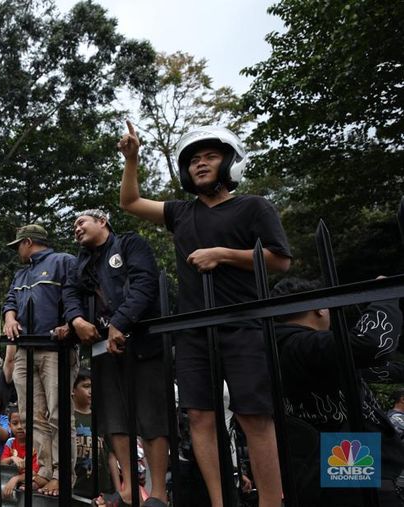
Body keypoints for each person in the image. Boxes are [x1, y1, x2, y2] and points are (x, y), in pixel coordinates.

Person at [118, 121, 291, 506]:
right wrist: (132, 160)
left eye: (210, 156)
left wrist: (223, 254)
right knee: (199, 416)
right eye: (194, 159)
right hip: (193, 330)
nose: (200, 163)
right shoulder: (181, 213)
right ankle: (220, 500)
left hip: (243, 322)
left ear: (229, 162)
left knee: (253, 417)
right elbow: (130, 203)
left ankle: (270, 501)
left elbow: (280, 261)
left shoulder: (253, 206)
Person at [61, 209, 169, 507]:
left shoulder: (129, 244)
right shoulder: (80, 262)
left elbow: (144, 283)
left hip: (143, 343)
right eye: (74, 226)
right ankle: (129, 488)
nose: (76, 229)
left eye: (81, 222)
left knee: (151, 417)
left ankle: (158, 492)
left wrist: (121, 322)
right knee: (115, 421)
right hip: (102, 349)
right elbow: (70, 294)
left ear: (102, 222)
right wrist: (76, 320)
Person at [272, 277, 404, 506]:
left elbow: (376, 368)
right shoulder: (302, 344)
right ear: (321, 309)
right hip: (344, 455)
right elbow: (370, 345)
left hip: (324, 460)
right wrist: (383, 297)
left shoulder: (284, 348)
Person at [2, 223, 78, 496]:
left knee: (58, 414)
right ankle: (44, 471)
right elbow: (10, 300)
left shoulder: (64, 261)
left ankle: (63, 474)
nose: (18, 251)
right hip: (24, 350)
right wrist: (9, 317)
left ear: (28, 242)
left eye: (18, 245)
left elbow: (76, 297)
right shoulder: (21, 273)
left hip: (55, 347)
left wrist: (71, 325)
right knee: (31, 416)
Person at [71, 369, 113, 501]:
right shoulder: (69, 418)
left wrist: (116, 489)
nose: (90, 391)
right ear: (72, 390)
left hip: (102, 490)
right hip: (75, 488)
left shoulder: (101, 418)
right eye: (86, 386)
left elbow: (111, 454)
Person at [1, 404, 44, 498]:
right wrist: (12, 458)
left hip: (28, 479)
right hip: (13, 480)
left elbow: (34, 471)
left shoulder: (36, 444)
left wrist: (16, 479)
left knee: (39, 479)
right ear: (9, 426)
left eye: (23, 423)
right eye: (15, 423)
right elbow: (2, 463)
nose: (20, 427)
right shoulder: (10, 442)